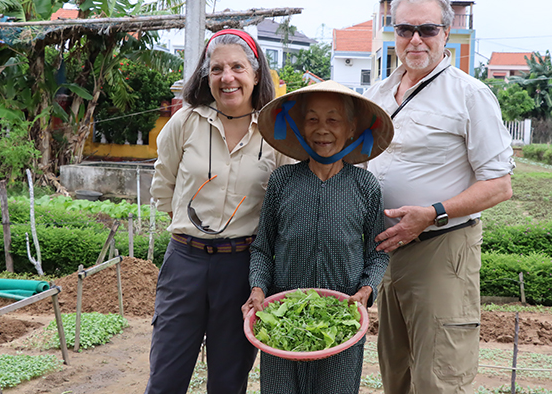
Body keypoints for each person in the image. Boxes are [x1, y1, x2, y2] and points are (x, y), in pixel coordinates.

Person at [365, 0, 515, 394]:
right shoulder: (378, 93)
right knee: (396, 373)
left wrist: (431, 212)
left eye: (427, 29)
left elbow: (499, 185)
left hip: (441, 248)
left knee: (439, 378)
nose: (415, 39)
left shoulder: (470, 95)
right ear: (392, 34)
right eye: (404, 29)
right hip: (387, 254)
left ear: (446, 34)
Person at [146, 28, 292, 394]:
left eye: (238, 68)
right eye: (217, 69)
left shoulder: (276, 132)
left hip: (242, 268)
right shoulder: (185, 122)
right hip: (185, 264)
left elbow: (286, 203)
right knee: (166, 377)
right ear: (206, 75)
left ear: (257, 74)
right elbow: (163, 186)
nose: (227, 78)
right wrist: (187, 233)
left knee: (229, 381)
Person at [241, 80, 394, 394]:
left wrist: (366, 289)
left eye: (333, 120)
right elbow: (262, 247)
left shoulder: (364, 185)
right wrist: (258, 289)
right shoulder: (283, 180)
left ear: (351, 129)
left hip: (342, 319)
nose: (322, 129)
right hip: (283, 316)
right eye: (312, 119)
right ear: (299, 128)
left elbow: (377, 252)